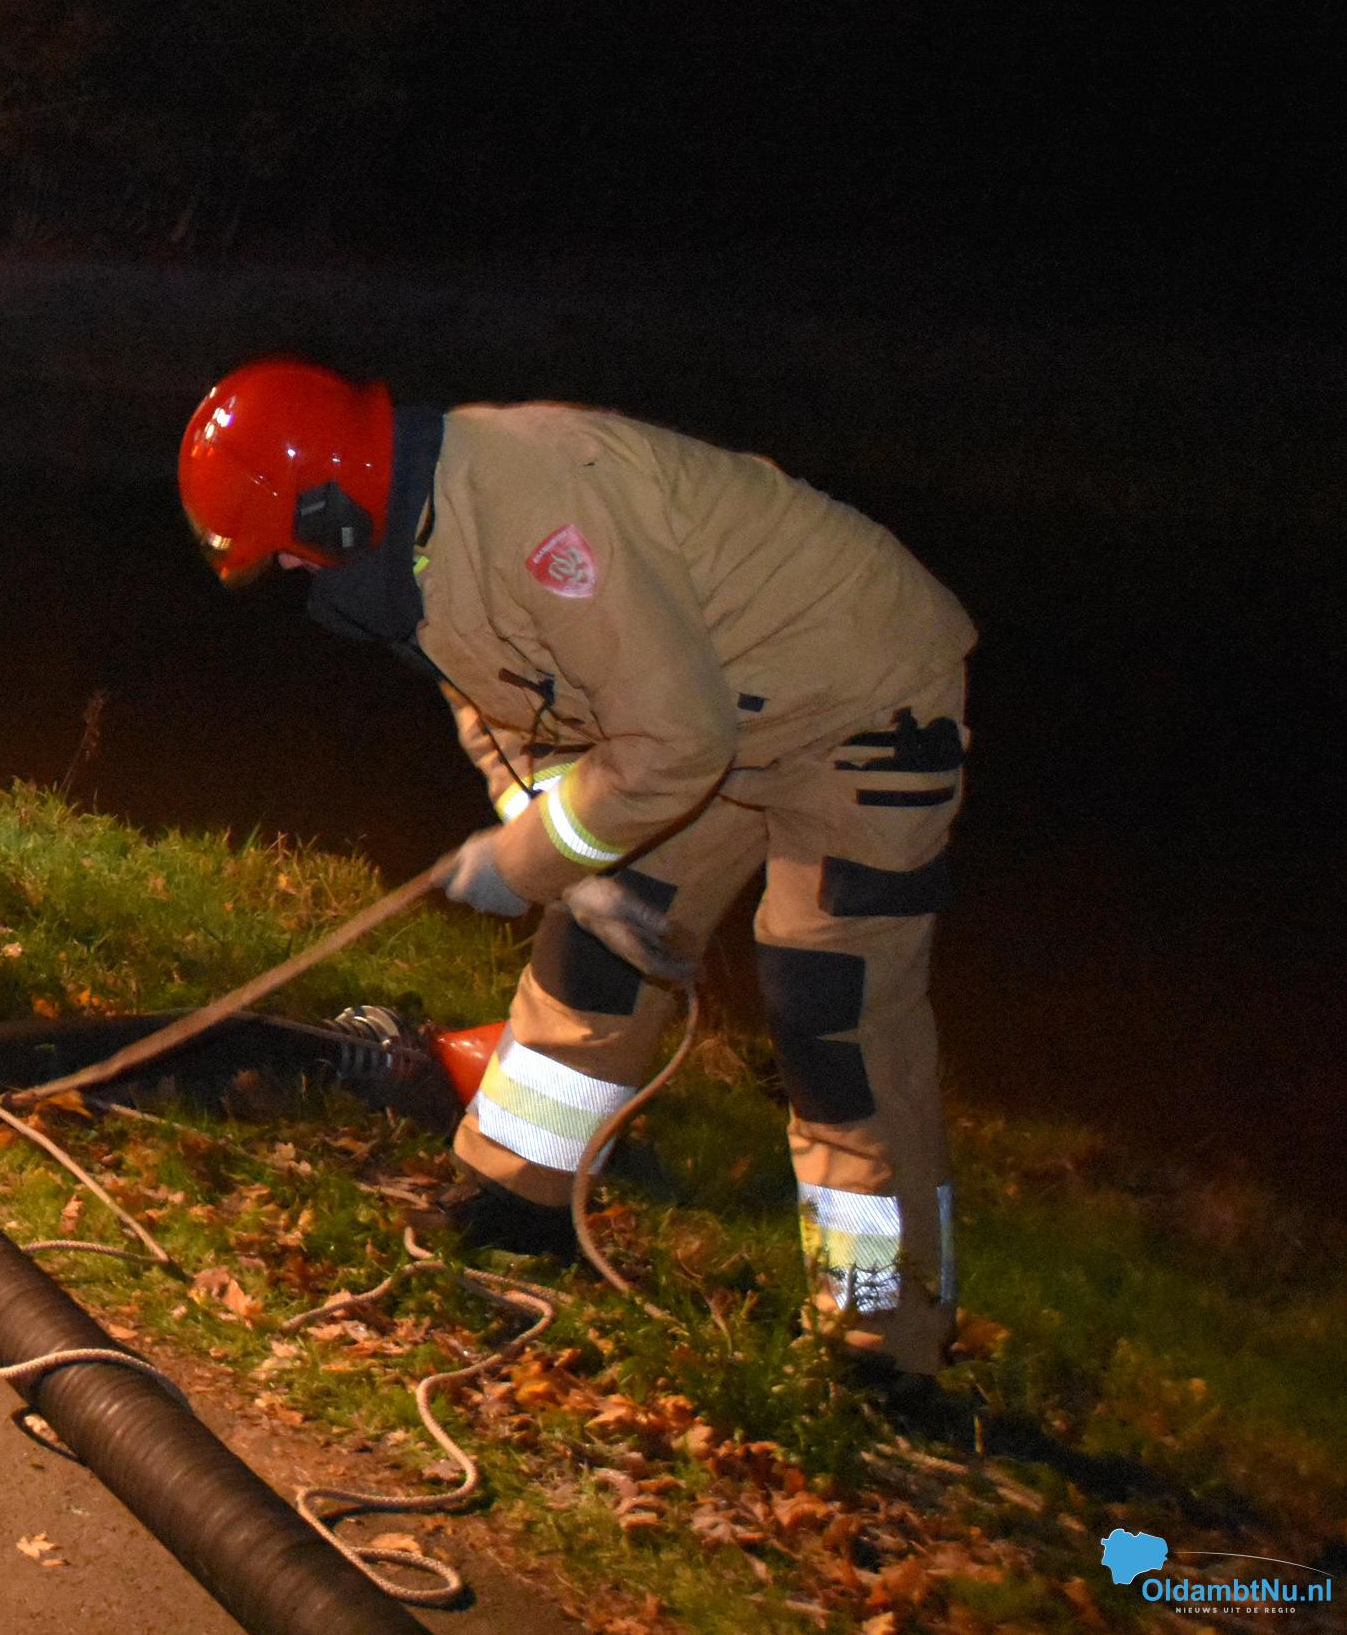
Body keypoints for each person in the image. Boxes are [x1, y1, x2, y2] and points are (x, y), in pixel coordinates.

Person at [177, 360, 976, 1375]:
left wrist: (528, 859)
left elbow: (673, 743)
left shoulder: (536, 511)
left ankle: (882, 1327)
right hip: (705, 713)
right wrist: (555, 847)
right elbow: (510, 721)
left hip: (858, 701)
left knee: (828, 1005)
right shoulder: (416, 555)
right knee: (599, 940)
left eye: (286, 553)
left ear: (332, 506)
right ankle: (517, 1194)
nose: (292, 576)